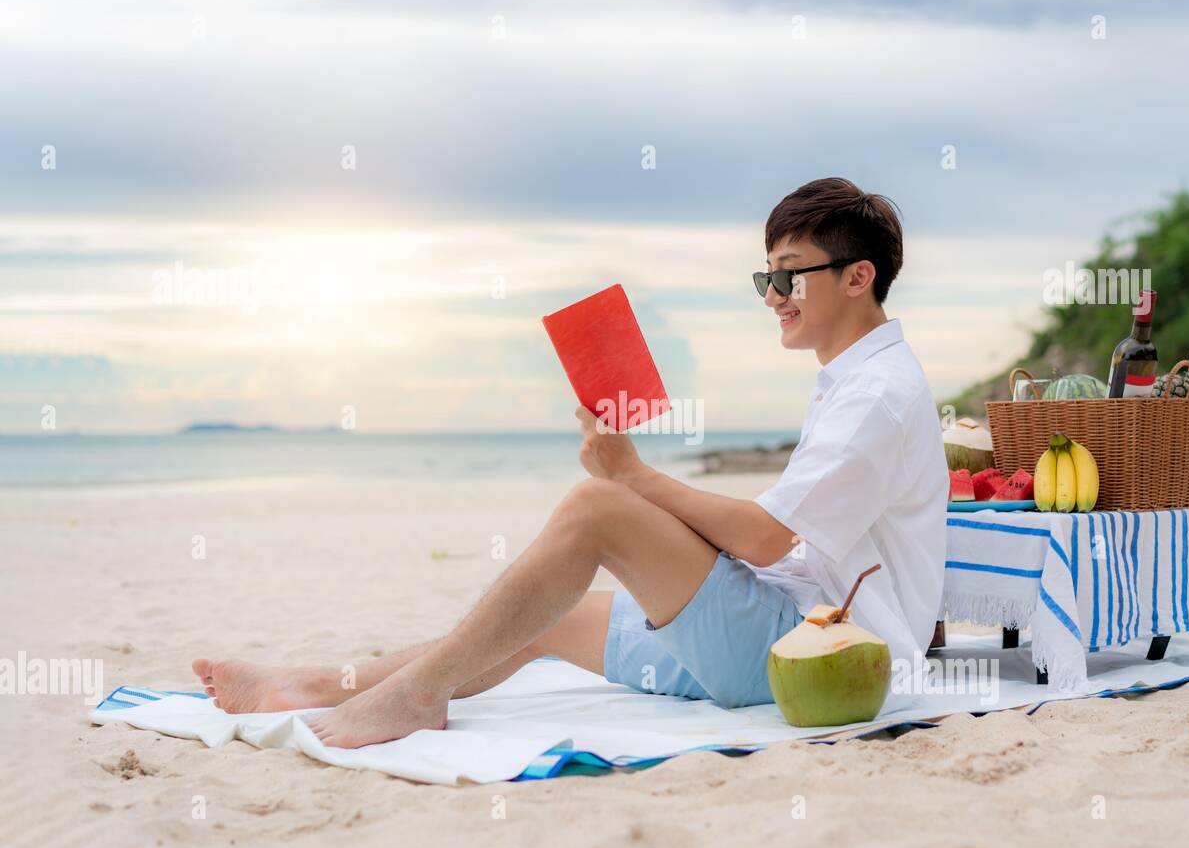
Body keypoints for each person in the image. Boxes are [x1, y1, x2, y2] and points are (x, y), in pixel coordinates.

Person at [193, 177, 949, 748]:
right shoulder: (856, 381)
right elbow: (779, 541)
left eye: (789, 275)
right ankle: (321, 683)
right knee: (543, 615)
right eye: (766, 277)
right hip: (792, 624)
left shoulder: (875, 396)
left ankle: (418, 694)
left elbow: (763, 539)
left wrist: (630, 478)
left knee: (597, 510)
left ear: (859, 277)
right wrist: (646, 498)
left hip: (816, 654)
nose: (773, 296)